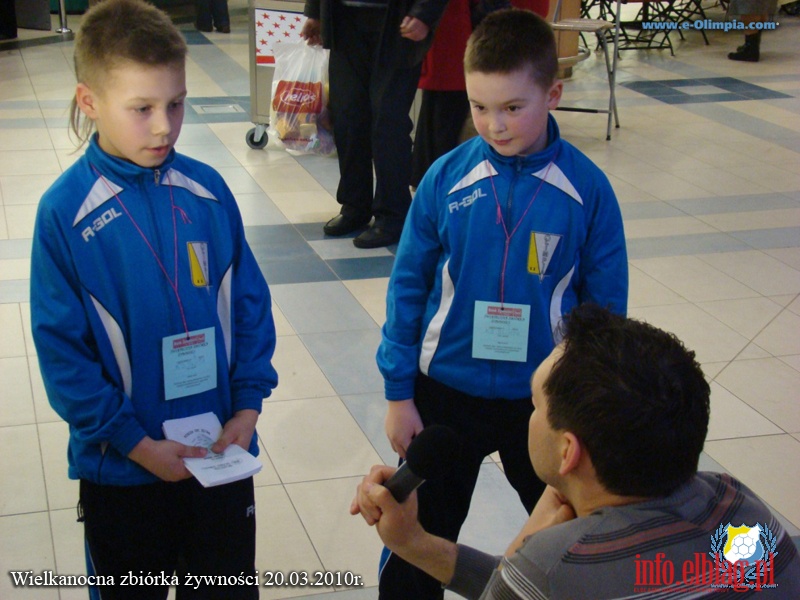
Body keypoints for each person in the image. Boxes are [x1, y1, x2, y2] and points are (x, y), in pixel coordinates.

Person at [376, 8, 628, 599]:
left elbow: (605, 309)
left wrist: (584, 405)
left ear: (554, 93)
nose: (495, 124)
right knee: (417, 544)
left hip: (540, 401)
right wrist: (397, 393)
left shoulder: (587, 191)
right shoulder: (444, 178)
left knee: (570, 535)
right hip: (445, 393)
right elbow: (408, 284)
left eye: (513, 107)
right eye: (479, 106)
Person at [29, 1, 277, 598]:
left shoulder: (209, 192)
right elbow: (65, 357)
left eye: (176, 103)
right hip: (123, 470)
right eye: (141, 109)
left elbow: (248, 306)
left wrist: (246, 408)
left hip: (218, 454)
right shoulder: (64, 214)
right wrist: (136, 444)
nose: (165, 126)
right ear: (89, 102)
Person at [354, 304, 800, 599]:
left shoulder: (556, 565)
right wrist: (411, 542)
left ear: (568, 451)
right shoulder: (745, 509)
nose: (528, 416)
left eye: (535, 405)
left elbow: (519, 586)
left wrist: (531, 538)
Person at [301, 0, 449, 248]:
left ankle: (393, 215)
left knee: (388, 122)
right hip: (344, 17)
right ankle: (355, 206)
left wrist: (425, 13)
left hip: (398, 21)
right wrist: (315, 11)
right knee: (347, 116)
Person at [410, 0, 550, 189]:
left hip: (492, 26)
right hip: (459, 28)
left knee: (462, 109)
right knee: (445, 111)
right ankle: (437, 184)